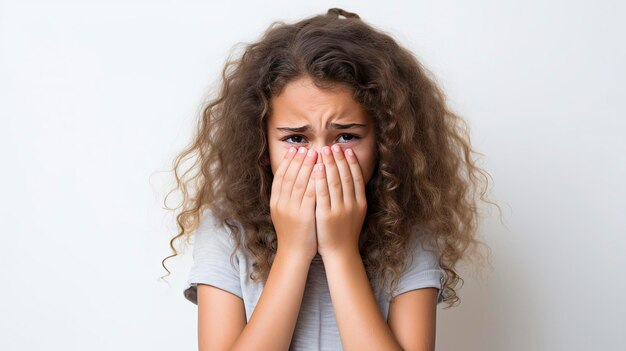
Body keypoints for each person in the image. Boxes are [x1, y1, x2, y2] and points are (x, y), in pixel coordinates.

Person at [161, 7, 496, 351]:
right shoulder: (226, 229)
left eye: (346, 137)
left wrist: (339, 251)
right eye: (296, 139)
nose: (322, 160)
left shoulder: (408, 232)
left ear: (383, 142)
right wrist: (293, 252)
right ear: (262, 145)